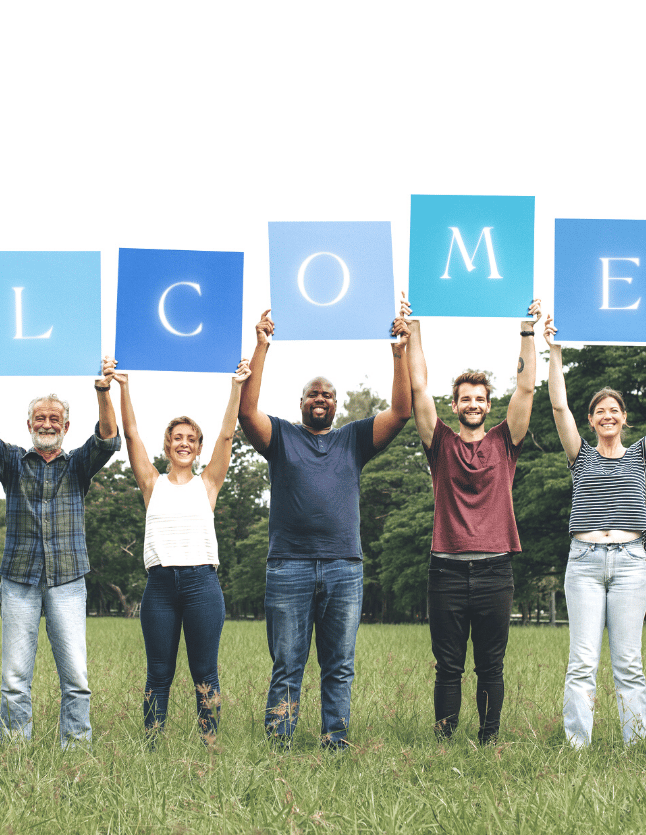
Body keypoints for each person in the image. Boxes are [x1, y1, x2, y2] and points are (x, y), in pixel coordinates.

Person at [238, 307, 412, 748]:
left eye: (328, 395)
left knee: (339, 664)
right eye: (313, 393)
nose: (320, 398)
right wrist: (261, 346)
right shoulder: (281, 437)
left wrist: (398, 353)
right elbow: (247, 412)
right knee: (288, 663)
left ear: (336, 404)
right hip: (288, 568)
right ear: (301, 403)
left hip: (343, 567)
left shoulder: (353, 439)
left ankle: (335, 740)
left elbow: (402, 411)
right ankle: (279, 741)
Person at [546, 314, 646, 748]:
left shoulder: (641, 456)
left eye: (614, 411)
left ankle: (636, 746)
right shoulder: (581, 456)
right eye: (599, 412)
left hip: (630, 564)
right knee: (582, 662)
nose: (607, 416)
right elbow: (558, 406)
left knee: (628, 662)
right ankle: (577, 746)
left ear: (624, 419)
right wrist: (554, 350)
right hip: (584, 563)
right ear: (591, 420)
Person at [0, 354, 119, 747]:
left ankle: (76, 749)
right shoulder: (13, 461)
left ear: (65, 427)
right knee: (15, 678)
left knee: (77, 678)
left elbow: (107, 440)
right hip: (19, 580)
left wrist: (103, 391)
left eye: (54, 419)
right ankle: (15, 751)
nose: (46, 425)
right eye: (40, 419)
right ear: (29, 425)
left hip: (67, 580)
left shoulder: (77, 465)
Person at [404, 297, 541, 744]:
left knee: (490, 665)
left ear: (488, 403)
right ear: (455, 404)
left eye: (480, 399)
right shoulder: (439, 442)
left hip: (494, 572)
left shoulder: (506, 441)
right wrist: (415, 328)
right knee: (448, 666)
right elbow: (418, 389)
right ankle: (444, 741)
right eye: (466, 399)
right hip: (445, 570)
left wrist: (526, 330)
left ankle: (488, 740)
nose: (474, 405)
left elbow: (525, 390)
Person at [111, 359, 250, 739]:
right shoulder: (151, 484)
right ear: (168, 446)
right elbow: (132, 435)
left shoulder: (208, 484)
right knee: (158, 673)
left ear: (198, 447)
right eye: (178, 438)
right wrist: (123, 385)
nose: (184, 443)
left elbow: (226, 436)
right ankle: (153, 744)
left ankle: (210, 744)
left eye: (191, 438)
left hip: (202, 585)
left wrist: (236, 386)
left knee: (205, 672)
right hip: (160, 588)